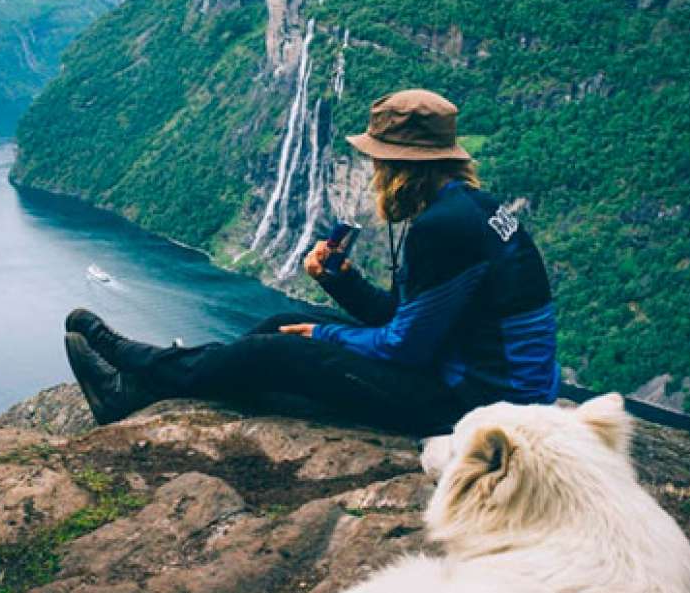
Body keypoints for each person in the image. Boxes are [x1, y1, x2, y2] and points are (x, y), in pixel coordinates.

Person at [64, 89, 559, 435]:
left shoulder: (440, 228)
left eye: (378, 162)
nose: (373, 172)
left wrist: (323, 335)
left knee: (276, 350)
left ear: (400, 167)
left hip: (474, 408)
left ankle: (136, 365)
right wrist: (342, 282)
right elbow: (408, 319)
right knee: (282, 323)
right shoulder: (473, 207)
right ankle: (141, 392)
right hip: (478, 381)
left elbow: (403, 349)